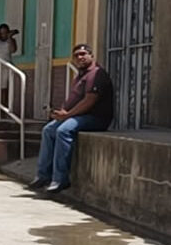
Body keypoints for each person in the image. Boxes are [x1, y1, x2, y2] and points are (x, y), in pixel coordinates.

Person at [29, 44, 114, 193]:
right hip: (77, 116)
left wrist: (67, 115)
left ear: (91, 56)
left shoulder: (97, 74)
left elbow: (89, 101)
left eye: (83, 54)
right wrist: (61, 112)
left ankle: (60, 179)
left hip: (95, 118)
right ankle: (43, 175)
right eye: (77, 55)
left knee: (63, 130)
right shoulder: (80, 76)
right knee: (48, 130)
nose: (80, 57)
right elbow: (74, 100)